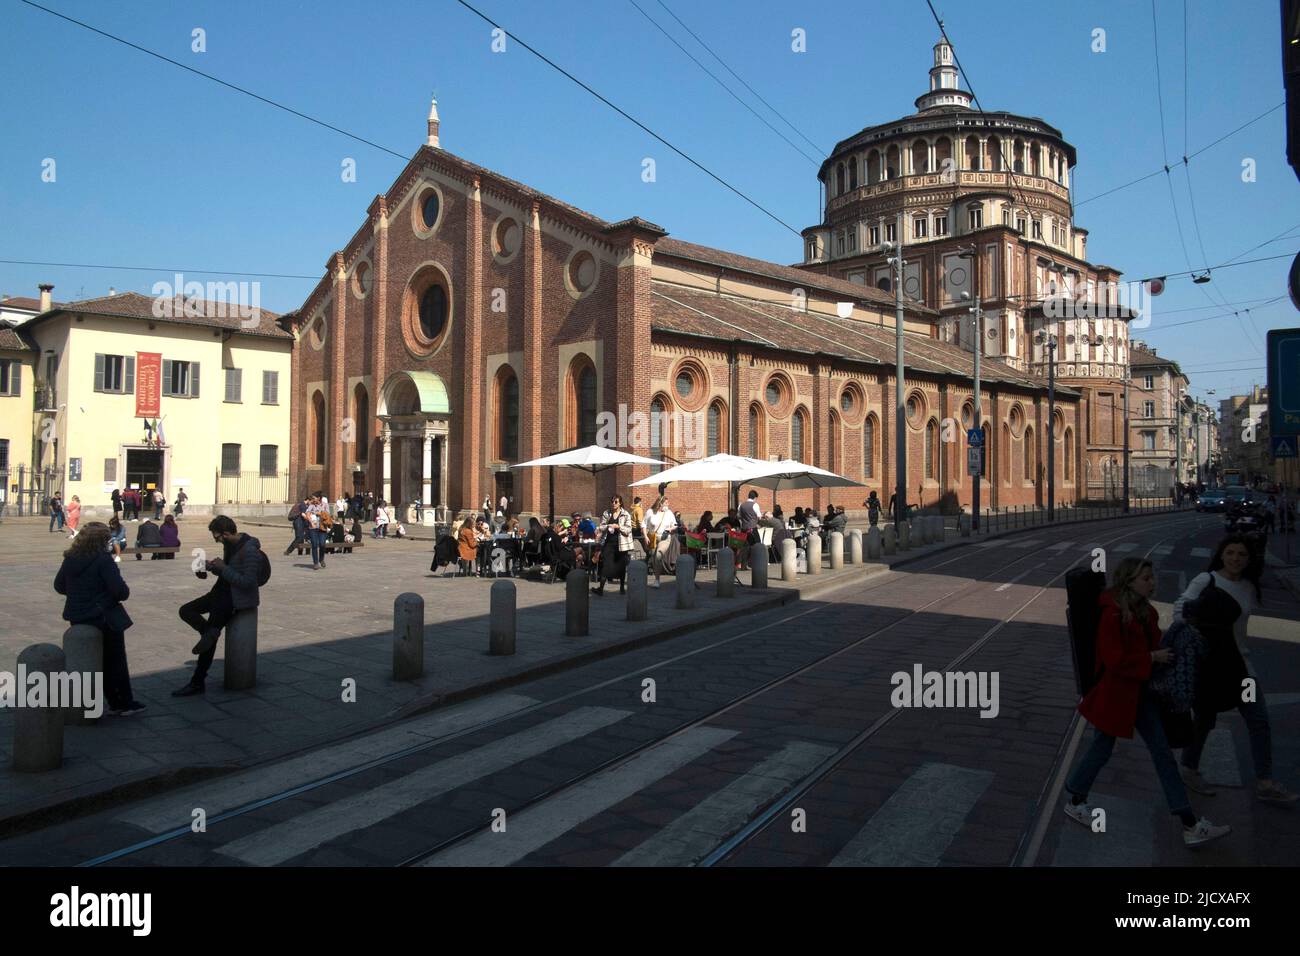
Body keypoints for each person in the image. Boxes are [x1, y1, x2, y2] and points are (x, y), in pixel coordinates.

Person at [1062, 557, 1231, 848]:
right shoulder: (1112, 614)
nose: (1152, 583)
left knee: (1160, 755)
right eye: (1146, 578)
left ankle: (1189, 823)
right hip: (1116, 696)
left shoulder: (1146, 612)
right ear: (1130, 582)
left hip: (1139, 694)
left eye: (1152, 577)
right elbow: (1114, 659)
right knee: (1104, 750)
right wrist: (1151, 658)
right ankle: (1077, 798)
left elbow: (1149, 646)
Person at [1174, 535, 1296, 803]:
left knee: (1258, 719)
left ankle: (1264, 781)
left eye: (1241, 554)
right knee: (1205, 720)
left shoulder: (1249, 587)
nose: (1235, 559)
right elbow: (1179, 611)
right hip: (1211, 667)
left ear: (1249, 559)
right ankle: (1189, 769)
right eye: (1230, 553)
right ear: (1221, 555)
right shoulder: (1206, 581)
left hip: (1241, 666)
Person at [54, 522, 144, 715]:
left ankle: (87, 703)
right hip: (102, 616)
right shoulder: (103, 560)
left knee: (88, 659)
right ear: (102, 540)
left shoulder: (70, 558)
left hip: (78, 615)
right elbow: (120, 591)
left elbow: (59, 586)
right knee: (115, 660)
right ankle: (121, 702)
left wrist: (79, 593)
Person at [173, 516, 265, 697]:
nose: (216, 540)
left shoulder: (250, 550)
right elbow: (228, 571)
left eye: (217, 537)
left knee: (209, 641)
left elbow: (248, 582)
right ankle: (209, 632)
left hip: (234, 600)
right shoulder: (229, 545)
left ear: (226, 533)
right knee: (186, 610)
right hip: (219, 593)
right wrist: (211, 568)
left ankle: (197, 682)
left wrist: (223, 568)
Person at [593, 495, 633, 596]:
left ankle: (622, 587)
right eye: (612, 501)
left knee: (621, 565)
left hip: (621, 545)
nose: (613, 504)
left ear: (620, 503)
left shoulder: (625, 514)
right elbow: (602, 526)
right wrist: (608, 526)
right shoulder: (607, 513)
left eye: (616, 502)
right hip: (608, 544)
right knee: (606, 565)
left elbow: (628, 529)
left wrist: (618, 527)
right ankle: (601, 589)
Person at [643, 495, 678, 588]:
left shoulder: (669, 513)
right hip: (653, 538)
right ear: (660, 503)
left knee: (658, 555)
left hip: (665, 538)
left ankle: (657, 580)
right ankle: (656, 577)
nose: (668, 504)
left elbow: (675, 524)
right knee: (654, 559)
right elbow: (644, 524)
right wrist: (645, 536)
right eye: (666, 503)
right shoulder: (650, 512)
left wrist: (671, 529)